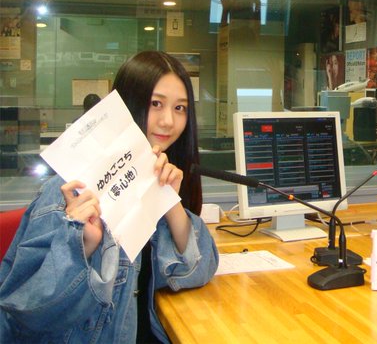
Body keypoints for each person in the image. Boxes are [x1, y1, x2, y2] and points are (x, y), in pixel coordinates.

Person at [0, 51, 219, 343]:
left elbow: (200, 269)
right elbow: (27, 314)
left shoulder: (155, 178)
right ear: (126, 104)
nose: (168, 121)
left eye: (180, 108)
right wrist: (81, 245)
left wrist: (170, 203)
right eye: (155, 104)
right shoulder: (68, 191)